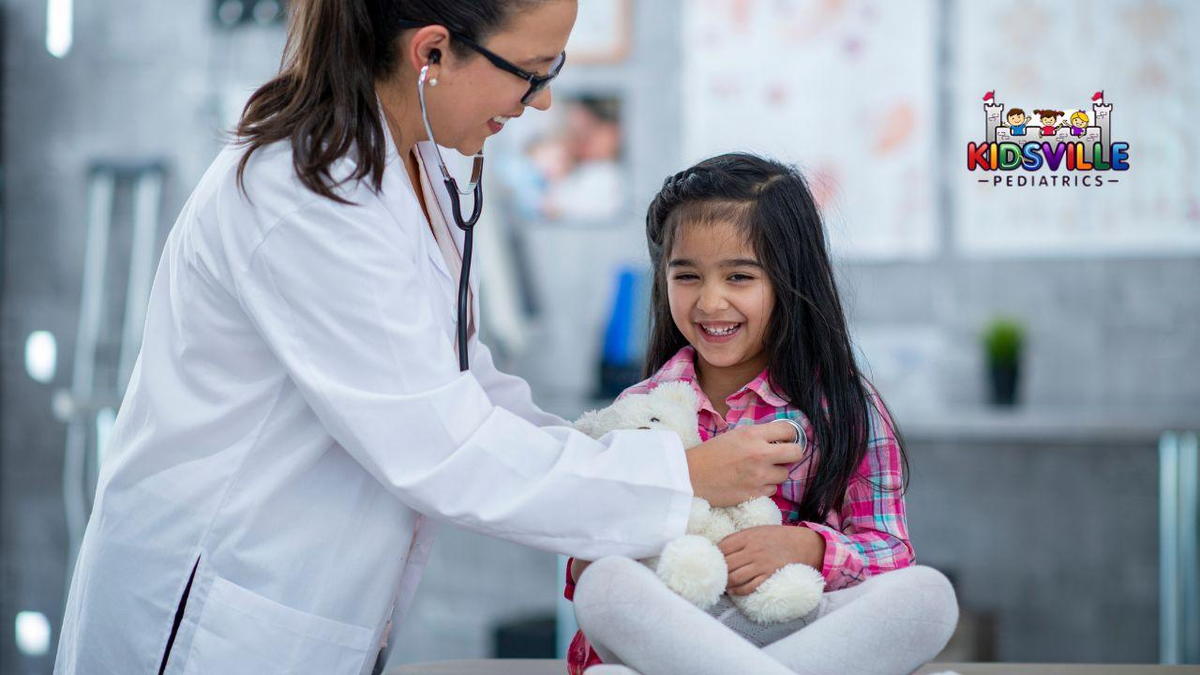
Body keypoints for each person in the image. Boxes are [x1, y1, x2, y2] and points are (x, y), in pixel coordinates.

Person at [52, 4, 806, 674]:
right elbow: (442, 448)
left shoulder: (410, 169)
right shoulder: (304, 198)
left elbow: (469, 389)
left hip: (304, 599)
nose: (541, 100)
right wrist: (682, 478)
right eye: (531, 71)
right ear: (433, 53)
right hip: (210, 613)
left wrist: (623, 451)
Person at [563, 154, 959, 674]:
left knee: (928, 596)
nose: (710, 301)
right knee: (605, 586)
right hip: (679, 639)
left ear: (791, 282)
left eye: (739, 276)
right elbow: (581, 563)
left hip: (806, 628)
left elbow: (890, 552)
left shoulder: (842, 407)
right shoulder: (640, 411)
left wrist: (809, 549)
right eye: (687, 276)